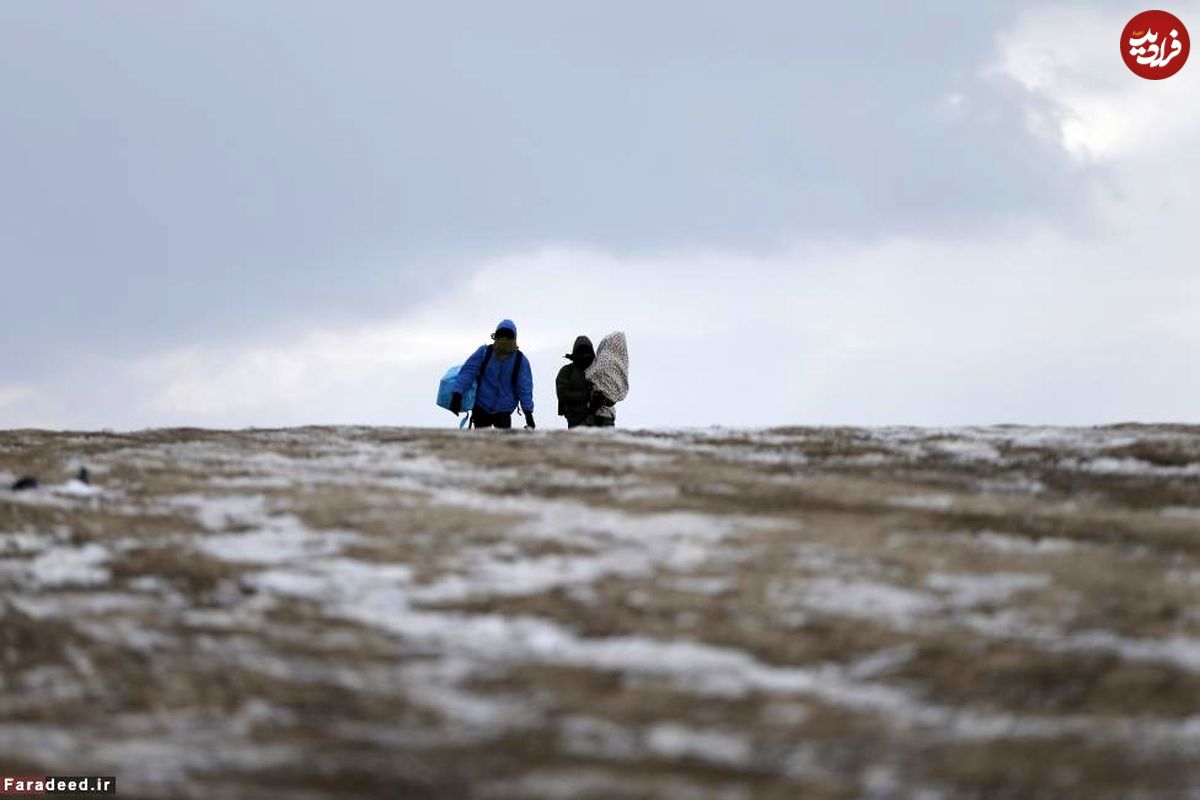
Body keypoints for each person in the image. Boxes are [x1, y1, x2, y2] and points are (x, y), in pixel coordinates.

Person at [448, 319, 535, 429]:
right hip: (481, 406)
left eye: (508, 336)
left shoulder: (520, 360)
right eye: (501, 335)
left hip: (504, 410)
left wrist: (528, 413)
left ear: (514, 338)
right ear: (495, 336)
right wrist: (457, 395)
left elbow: (524, 388)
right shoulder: (485, 352)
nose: (504, 339)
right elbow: (468, 373)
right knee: (481, 443)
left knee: (503, 444)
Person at [584, 331, 628, 427]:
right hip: (609, 414)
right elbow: (621, 391)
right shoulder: (622, 364)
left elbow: (590, 374)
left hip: (594, 413)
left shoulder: (604, 358)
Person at [556, 335, 595, 428]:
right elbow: (562, 394)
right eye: (581, 352)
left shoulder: (596, 371)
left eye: (587, 352)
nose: (585, 356)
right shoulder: (566, 371)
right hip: (574, 420)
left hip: (596, 419)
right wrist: (587, 395)